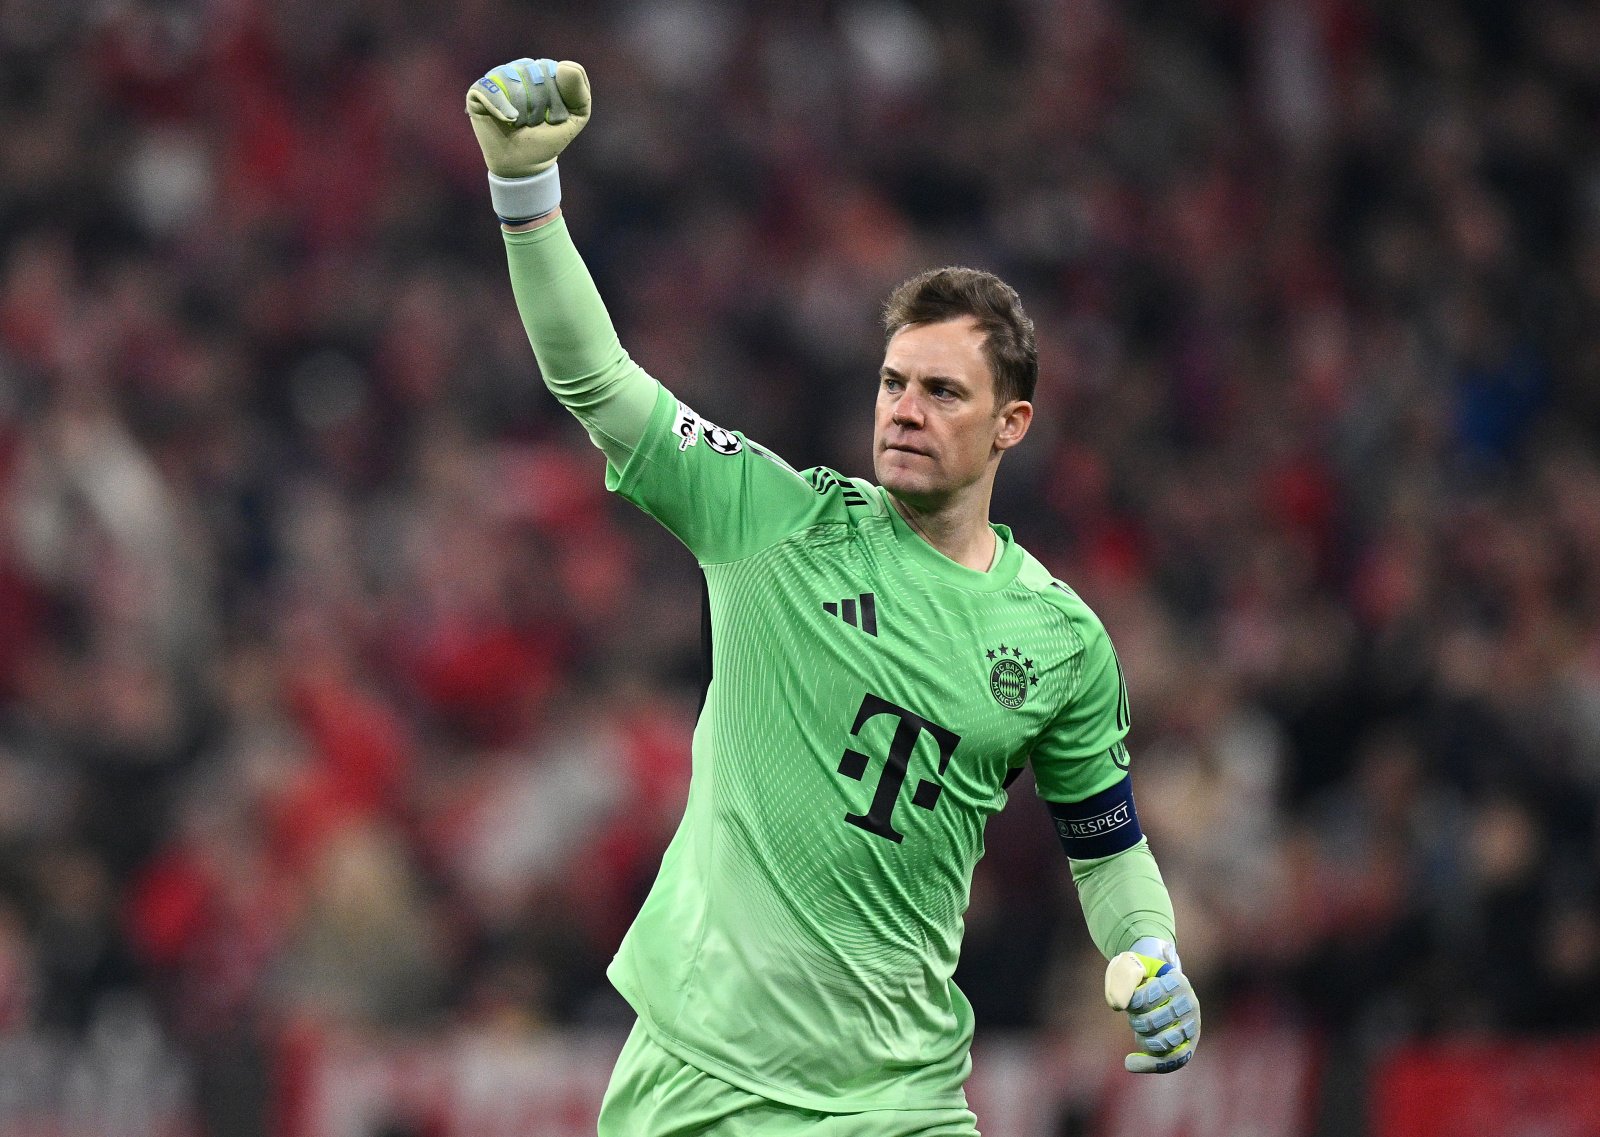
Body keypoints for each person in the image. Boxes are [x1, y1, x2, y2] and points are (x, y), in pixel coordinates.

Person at [465, 56, 1201, 1136]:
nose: (904, 409)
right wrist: (525, 193)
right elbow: (598, 380)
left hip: (902, 1100)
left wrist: (1150, 949)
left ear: (1012, 425)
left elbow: (1106, 846)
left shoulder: (1060, 642)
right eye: (893, 383)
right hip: (704, 1082)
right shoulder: (774, 519)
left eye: (942, 392)